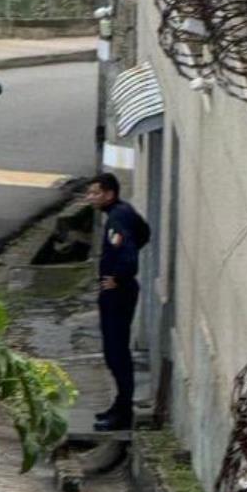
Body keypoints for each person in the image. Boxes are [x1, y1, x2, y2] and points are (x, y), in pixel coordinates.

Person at [84, 172, 146, 432]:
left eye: (96, 193)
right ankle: (119, 405)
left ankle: (123, 412)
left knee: (117, 353)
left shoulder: (117, 218)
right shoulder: (122, 213)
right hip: (117, 291)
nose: (91, 198)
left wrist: (117, 278)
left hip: (118, 293)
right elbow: (144, 232)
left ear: (109, 194)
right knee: (113, 352)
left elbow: (129, 256)